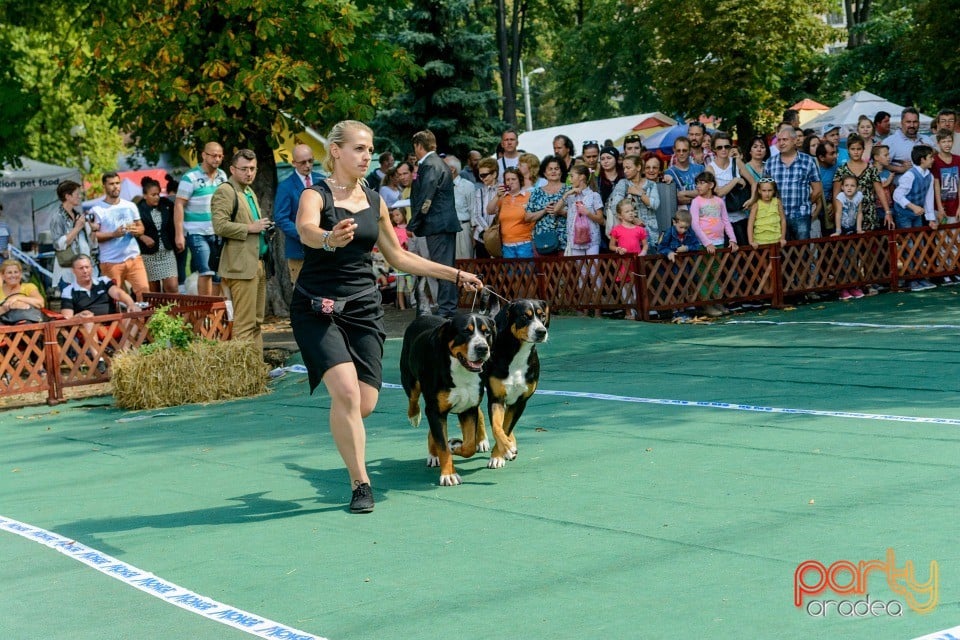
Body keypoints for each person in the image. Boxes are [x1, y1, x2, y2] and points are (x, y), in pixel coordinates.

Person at [291, 120, 482, 513]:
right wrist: (328, 238)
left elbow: (399, 257)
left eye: (370, 149)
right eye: (360, 149)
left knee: (363, 404)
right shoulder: (315, 194)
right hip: (318, 307)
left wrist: (456, 273)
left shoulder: (375, 200)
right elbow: (305, 230)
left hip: (363, 308)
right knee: (344, 393)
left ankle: (347, 430)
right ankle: (360, 483)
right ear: (337, 151)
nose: (367, 156)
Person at [211, 149, 272, 353]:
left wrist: (263, 230)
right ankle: (244, 377)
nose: (249, 173)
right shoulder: (226, 191)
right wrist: (250, 228)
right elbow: (219, 226)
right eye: (244, 169)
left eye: (252, 169)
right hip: (241, 266)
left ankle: (257, 371)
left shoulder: (248, 190)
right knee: (244, 325)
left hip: (258, 262)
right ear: (232, 169)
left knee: (256, 323)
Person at [408, 130, 461, 318]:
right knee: (443, 265)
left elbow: (425, 197)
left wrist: (413, 224)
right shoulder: (435, 163)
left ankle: (447, 309)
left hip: (438, 224)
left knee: (443, 267)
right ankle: (446, 307)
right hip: (440, 224)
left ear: (419, 146)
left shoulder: (430, 165)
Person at [175, 142, 228, 296]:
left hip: (218, 231)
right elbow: (179, 204)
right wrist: (179, 234)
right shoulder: (190, 177)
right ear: (204, 155)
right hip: (197, 232)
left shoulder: (222, 176)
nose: (217, 159)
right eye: (213, 155)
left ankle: (214, 313)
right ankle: (205, 313)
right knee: (206, 271)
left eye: (220, 156)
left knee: (218, 274)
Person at [92, 172, 149, 297]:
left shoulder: (130, 205)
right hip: (111, 262)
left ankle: (141, 317)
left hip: (134, 258)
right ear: (104, 186)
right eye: (111, 184)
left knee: (144, 293)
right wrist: (113, 234)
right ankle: (123, 317)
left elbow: (141, 228)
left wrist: (136, 231)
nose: (115, 187)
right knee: (117, 299)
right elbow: (94, 237)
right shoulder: (97, 209)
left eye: (117, 183)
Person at [891, 145, 938, 292]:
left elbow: (928, 198)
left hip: (917, 214)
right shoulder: (909, 175)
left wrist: (931, 218)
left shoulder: (929, 175)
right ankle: (910, 279)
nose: (933, 160)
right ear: (922, 159)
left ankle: (919, 276)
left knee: (919, 244)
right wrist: (912, 207)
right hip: (904, 214)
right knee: (909, 245)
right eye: (930, 157)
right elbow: (897, 195)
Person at [690, 172, 738, 317]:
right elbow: (695, 224)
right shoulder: (696, 202)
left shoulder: (719, 201)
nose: (698, 186)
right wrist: (706, 242)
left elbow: (726, 221)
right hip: (704, 244)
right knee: (704, 274)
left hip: (719, 242)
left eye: (702, 183)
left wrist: (732, 239)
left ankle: (716, 300)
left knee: (716, 273)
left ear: (711, 185)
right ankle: (706, 304)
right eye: (697, 183)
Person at [764, 123, 822, 240]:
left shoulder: (808, 161)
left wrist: (804, 203)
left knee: (802, 253)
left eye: (785, 139)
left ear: (795, 141)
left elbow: (817, 190)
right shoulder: (770, 163)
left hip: (801, 216)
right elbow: (764, 189)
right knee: (783, 253)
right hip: (778, 217)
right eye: (779, 140)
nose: (781, 143)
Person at [275, 144, 322, 283]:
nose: (307, 165)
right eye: (302, 162)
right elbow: (281, 217)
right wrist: (303, 234)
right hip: (298, 250)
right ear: (294, 163)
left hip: (323, 249)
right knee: (303, 297)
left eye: (310, 161)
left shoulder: (322, 180)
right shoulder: (285, 186)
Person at [832, 134, 891, 236]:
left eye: (859, 149)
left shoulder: (871, 169)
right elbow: (836, 195)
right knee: (851, 248)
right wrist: (837, 214)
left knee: (870, 246)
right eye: (852, 149)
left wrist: (887, 212)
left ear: (863, 149)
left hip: (869, 213)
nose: (856, 152)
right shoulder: (841, 170)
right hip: (848, 215)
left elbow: (880, 191)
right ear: (848, 150)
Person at [706, 131, 755, 246]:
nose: (723, 149)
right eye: (719, 147)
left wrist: (752, 199)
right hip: (721, 220)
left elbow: (754, 183)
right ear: (714, 149)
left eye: (727, 146)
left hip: (741, 216)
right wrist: (735, 180)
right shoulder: (710, 168)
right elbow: (718, 193)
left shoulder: (736, 162)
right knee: (728, 258)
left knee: (746, 253)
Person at [607, 154, 659, 252]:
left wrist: (640, 193)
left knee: (651, 263)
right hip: (629, 234)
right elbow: (615, 206)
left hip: (650, 233)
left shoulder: (652, 185)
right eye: (624, 168)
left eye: (628, 167)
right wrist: (634, 220)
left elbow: (655, 205)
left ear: (638, 167)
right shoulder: (623, 184)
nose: (625, 171)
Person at [50, 180, 98, 289]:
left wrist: (94, 230)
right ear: (68, 196)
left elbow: (91, 245)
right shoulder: (57, 217)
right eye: (77, 194)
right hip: (67, 273)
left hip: (85, 272)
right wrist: (77, 228)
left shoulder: (79, 216)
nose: (80, 197)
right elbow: (59, 245)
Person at [136, 178, 178, 293]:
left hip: (167, 252)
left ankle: (175, 311)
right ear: (145, 195)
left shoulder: (166, 204)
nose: (157, 197)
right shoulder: (138, 209)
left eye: (158, 194)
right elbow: (132, 228)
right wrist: (142, 237)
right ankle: (158, 311)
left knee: (173, 288)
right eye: (153, 194)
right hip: (148, 255)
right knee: (154, 293)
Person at [524, 157, 568, 255]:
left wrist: (560, 211)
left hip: (565, 240)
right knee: (544, 270)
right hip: (542, 241)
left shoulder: (569, 190)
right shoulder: (536, 192)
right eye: (550, 169)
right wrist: (544, 210)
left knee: (567, 270)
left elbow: (578, 215)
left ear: (561, 171)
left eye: (556, 169)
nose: (553, 171)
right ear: (544, 173)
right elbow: (527, 217)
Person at [488, 167, 534, 258]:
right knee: (509, 272)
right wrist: (497, 196)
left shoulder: (529, 196)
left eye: (513, 179)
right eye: (507, 179)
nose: (510, 182)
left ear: (520, 180)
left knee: (526, 271)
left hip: (526, 243)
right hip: (506, 245)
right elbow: (489, 211)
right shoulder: (502, 198)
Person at [832, 175, 865, 300]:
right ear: (842, 187)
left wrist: (859, 229)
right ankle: (843, 288)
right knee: (842, 259)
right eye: (846, 185)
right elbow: (838, 213)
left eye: (852, 185)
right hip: (842, 229)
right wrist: (838, 230)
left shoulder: (859, 196)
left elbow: (859, 212)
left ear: (857, 187)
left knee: (853, 257)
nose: (849, 188)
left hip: (852, 229)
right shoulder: (840, 197)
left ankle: (853, 285)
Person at [561, 164, 604, 256]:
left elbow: (601, 220)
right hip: (574, 239)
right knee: (581, 269)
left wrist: (588, 213)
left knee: (593, 269)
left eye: (572, 176)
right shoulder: (570, 196)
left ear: (581, 177)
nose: (569, 180)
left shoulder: (594, 195)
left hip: (592, 239)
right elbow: (556, 210)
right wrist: (566, 194)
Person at [885, 107, 935, 183]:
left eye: (915, 122)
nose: (912, 125)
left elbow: (939, 159)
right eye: (908, 122)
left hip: (925, 189)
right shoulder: (890, 141)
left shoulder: (926, 139)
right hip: (901, 190)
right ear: (901, 122)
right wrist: (900, 169)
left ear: (919, 123)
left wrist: (932, 150)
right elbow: (879, 163)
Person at [444, 154, 477, 260]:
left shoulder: (467, 186)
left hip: (462, 229)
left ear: (452, 169)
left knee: (465, 263)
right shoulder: (440, 187)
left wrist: (474, 235)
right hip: (445, 231)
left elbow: (473, 210)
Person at [664, 137, 704, 211]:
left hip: (702, 214)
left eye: (684, 150)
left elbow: (706, 192)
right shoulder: (668, 173)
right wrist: (697, 195)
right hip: (683, 217)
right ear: (674, 150)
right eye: (678, 150)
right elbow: (674, 199)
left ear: (690, 150)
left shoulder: (700, 169)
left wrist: (684, 193)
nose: (681, 153)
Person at [748, 177, 787, 249]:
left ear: (774, 191)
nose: (767, 193)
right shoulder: (756, 205)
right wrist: (751, 241)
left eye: (770, 190)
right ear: (759, 191)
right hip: (760, 242)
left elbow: (783, 220)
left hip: (776, 241)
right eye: (764, 190)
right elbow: (750, 224)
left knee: (776, 260)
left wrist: (782, 238)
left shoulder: (777, 202)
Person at [472, 158, 499, 258]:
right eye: (480, 175)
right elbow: (476, 214)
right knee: (482, 271)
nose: (482, 178)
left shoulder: (503, 190)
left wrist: (493, 234)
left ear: (494, 174)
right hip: (481, 237)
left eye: (484, 175)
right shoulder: (479, 192)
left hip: (499, 238)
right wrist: (487, 232)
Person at [933, 129, 960, 224]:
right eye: (943, 142)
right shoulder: (934, 161)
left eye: (949, 141)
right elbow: (936, 186)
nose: (947, 144)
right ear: (938, 143)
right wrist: (940, 208)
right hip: (940, 206)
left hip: (955, 206)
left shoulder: (958, 159)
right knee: (941, 236)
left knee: (956, 237)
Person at [813, 141, 839, 236]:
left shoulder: (837, 166)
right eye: (832, 154)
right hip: (815, 207)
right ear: (821, 158)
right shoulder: (812, 167)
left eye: (835, 152)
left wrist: (833, 204)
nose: (835, 156)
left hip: (831, 206)